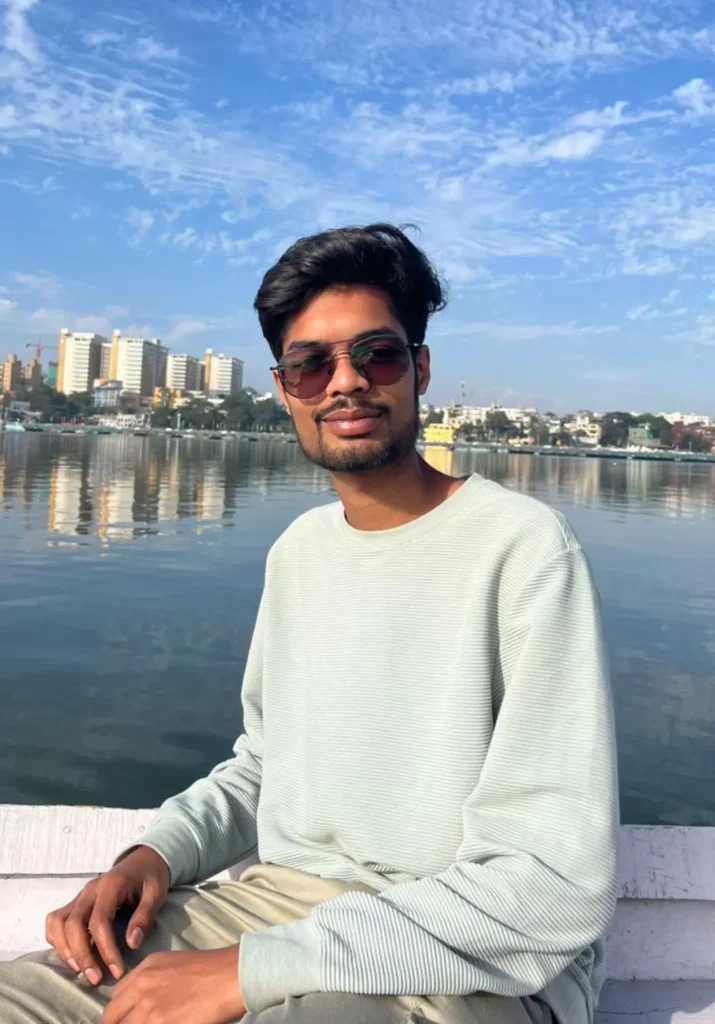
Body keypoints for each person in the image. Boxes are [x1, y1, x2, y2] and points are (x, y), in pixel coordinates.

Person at [0, 224, 619, 1024]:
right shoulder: (299, 553)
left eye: (377, 355)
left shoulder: (524, 547)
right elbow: (267, 762)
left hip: (464, 949)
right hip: (277, 908)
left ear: (420, 369)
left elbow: (549, 881)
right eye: (311, 364)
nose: (345, 383)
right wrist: (156, 854)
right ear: (285, 387)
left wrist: (252, 972)